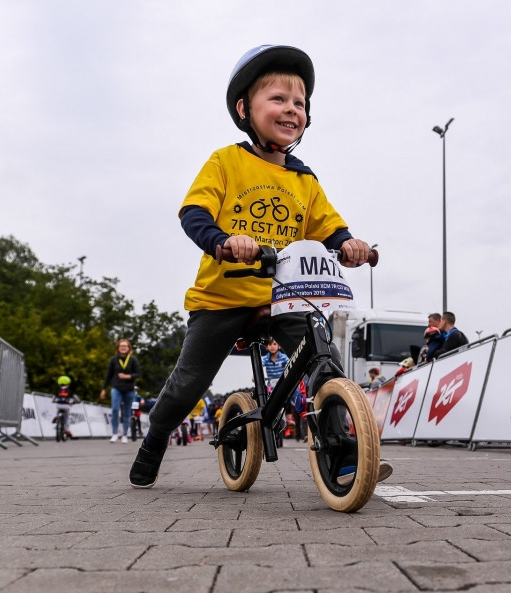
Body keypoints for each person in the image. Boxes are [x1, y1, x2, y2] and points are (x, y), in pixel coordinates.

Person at [130, 45, 392, 489]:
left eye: (300, 103)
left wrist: (349, 245)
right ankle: (155, 438)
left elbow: (329, 225)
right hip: (223, 296)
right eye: (279, 99)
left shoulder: (304, 179)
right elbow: (194, 213)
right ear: (244, 109)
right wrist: (222, 241)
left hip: (282, 296)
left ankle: (343, 453)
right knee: (188, 384)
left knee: (322, 358)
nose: (292, 108)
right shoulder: (225, 162)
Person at [100, 338, 141, 444]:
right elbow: (108, 375)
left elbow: (138, 374)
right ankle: (114, 433)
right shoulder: (113, 360)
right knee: (115, 409)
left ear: (129, 348)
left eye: (125, 346)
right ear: (118, 348)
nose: (123, 348)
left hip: (129, 389)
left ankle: (124, 435)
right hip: (116, 388)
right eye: (121, 346)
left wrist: (128, 376)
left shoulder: (133, 360)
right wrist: (103, 389)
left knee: (127, 412)